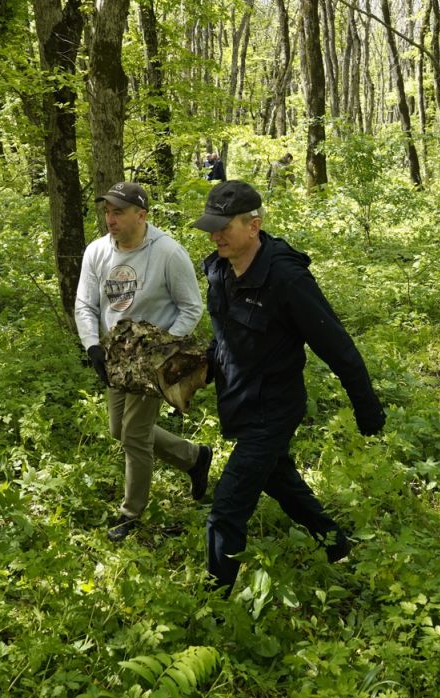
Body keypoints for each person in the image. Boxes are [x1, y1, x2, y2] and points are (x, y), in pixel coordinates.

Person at [192, 180, 386, 596]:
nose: (215, 236)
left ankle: (212, 605)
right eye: (211, 228)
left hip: (273, 409)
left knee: (227, 508)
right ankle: (335, 543)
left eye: (224, 227)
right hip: (238, 402)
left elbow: (336, 345)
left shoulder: (286, 278)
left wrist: (366, 407)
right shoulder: (219, 270)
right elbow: (225, 337)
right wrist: (202, 368)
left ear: (254, 226)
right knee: (278, 478)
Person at [75, 182, 212, 543]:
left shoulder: (168, 252)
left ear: (141, 215)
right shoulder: (97, 252)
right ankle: (194, 458)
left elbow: (191, 307)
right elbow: (85, 304)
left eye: (118, 212)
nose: (110, 219)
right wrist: (92, 346)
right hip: (115, 356)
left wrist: (161, 352)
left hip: (151, 361)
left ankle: (130, 514)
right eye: (108, 212)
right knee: (118, 429)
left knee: (134, 435)